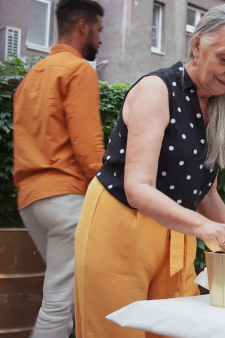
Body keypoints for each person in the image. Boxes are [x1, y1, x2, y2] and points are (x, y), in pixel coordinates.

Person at [74, 4, 225, 337]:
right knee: (117, 331)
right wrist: (207, 228)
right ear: (197, 45)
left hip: (177, 232)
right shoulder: (157, 90)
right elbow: (138, 187)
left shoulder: (220, 107)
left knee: (177, 330)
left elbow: (206, 192)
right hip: (120, 226)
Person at [12, 0, 105, 337]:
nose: (100, 38)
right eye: (99, 30)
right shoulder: (78, 70)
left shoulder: (33, 75)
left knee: (66, 298)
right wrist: (109, 193)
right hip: (66, 200)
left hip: (31, 200)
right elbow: (88, 144)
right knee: (59, 302)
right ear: (83, 26)